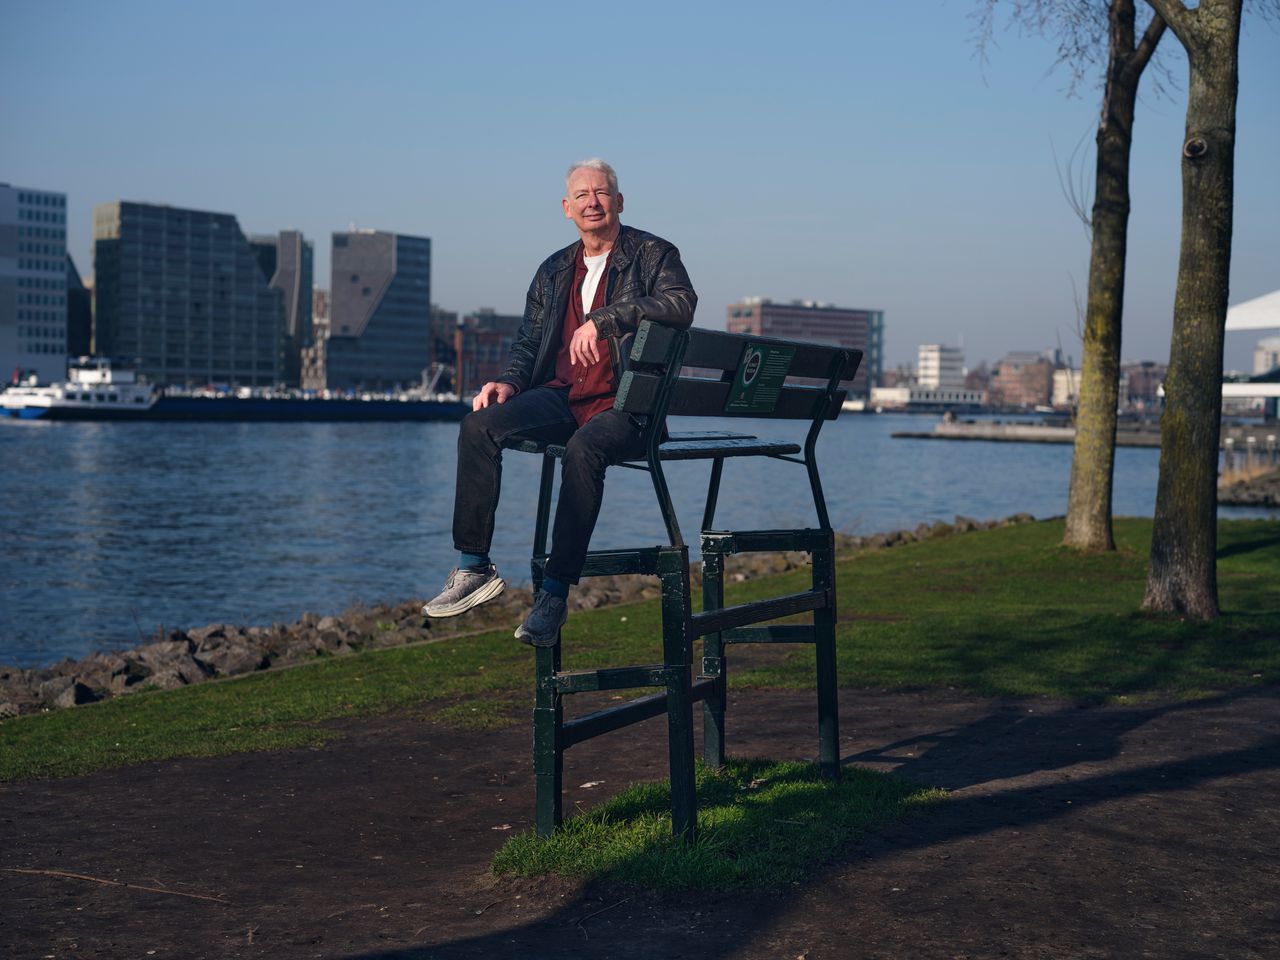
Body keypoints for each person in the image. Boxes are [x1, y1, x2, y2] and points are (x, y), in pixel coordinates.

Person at [422, 158, 697, 647]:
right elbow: (529, 342)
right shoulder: (552, 270)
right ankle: (474, 567)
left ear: (619, 201)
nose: (593, 202)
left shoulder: (653, 253)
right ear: (567, 208)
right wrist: (508, 382)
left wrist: (606, 319)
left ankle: (553, 595)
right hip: (564, 398)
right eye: (582, 195)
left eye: (602, 192)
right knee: (479, 425)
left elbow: (681, 303)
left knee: (583, 449)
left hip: (627, 405)